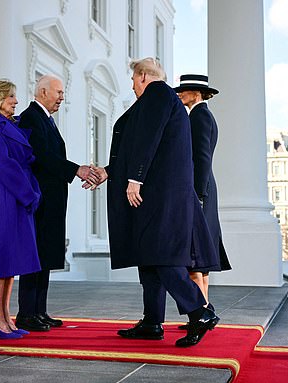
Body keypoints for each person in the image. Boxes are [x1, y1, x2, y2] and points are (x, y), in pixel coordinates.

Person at [88, 58, 220, 347]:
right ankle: (152, 322)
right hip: (157, 196)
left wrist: (135, 179)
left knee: (163, 257)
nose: (133, 87)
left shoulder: (158, 93)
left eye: (134, 80)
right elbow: (139, 147)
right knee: (149, 258)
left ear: (144, 76)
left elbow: (148, 139)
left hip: (162, 197)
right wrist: (109, 172)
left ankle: (201, 312)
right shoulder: (158, 100)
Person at [15, 74, 95, 332]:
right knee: (35, 255)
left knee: (46, 254)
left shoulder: (46, 119)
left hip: (52, 200)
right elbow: (40, 156)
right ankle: (26, 313)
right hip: (39, 199)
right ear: (42, 92)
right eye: (58, 92)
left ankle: (39, 311)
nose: (62, 97)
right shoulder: (30, 117)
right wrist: (76, 170)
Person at [0, 79, 42, 339]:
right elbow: (3, 164)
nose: (15, 101)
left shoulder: (8, 124)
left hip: (17, 192)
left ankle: (6, 317)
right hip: (6, 192)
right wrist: (28, 194)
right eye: (11, 96)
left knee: (12, 259)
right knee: (2, 258)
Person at [173, 74, 232, 323]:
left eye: (183, 91)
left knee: (195, 254)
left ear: (196, 93)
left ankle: (202, 313)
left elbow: (202, 157)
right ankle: (205, 306)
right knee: (200, 258)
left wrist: (197, 194)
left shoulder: (199, 116)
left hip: (200, 191)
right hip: (204, 189)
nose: (179, 94)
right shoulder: (199, 115)